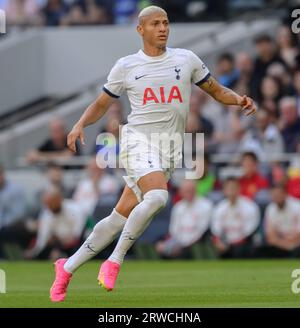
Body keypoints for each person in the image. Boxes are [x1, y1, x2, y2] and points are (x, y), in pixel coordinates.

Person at [49, 5, 256, 302]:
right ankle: (114, 261)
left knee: (119, 218)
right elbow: (102, 103)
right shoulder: (127, 66)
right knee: (158, 197)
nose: (163, 28)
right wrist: (80, 123)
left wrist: (239, 100)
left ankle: (66, 268)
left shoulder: (186, 60)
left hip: (169, 150)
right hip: (136, 142)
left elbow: (215, 90)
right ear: (140, 29)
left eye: (166, 23)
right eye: (156, 23)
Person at [155, 179, 212, 258]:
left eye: (191, 190)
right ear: (180, 192)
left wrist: (183, 246)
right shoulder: (178, 207)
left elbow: (202, 231)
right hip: (179, 242)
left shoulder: (206, 205)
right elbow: (174, 230)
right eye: (187, 191)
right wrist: (173, 244)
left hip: (196, 243)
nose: (189, 193)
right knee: (160, 247)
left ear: (195, 190)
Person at [211, 177, 260, 258]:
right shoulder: (219, 208)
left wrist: (231, 244)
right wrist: (219, 242)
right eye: (228, 189)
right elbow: (216, 230)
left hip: (243, 245)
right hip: (225, 244)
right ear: (224, 191)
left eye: (233, 188)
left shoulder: (250, 207)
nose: (231, 192)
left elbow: (249, 232)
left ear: (239, 189)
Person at [261, 184, 300, 257]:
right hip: (280, 244)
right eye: (274, 195)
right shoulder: (270, 209)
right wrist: (287, 245)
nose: (276, 197)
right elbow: (270, 236)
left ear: (285, 194)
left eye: (279, 194)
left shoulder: (297, 206)